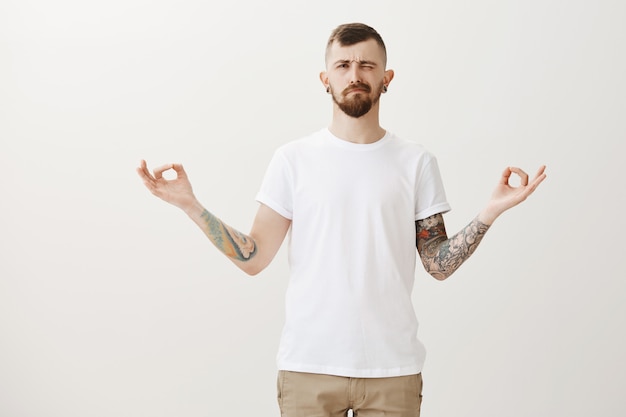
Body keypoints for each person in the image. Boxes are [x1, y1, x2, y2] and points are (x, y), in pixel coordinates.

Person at [137, 22, 546, 417]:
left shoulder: (416, 162)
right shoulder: (292, 160)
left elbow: (437, 263)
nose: (355, 75)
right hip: (308, 367)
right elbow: (255, 257)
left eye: (367, 66)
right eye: (343, 66)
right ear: (325, 78)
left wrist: (490, 211)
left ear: (387, 77)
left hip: (393, 369)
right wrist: (191, 205)